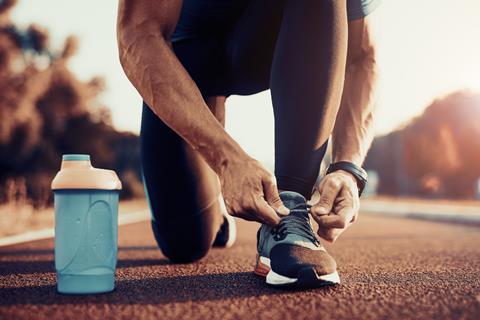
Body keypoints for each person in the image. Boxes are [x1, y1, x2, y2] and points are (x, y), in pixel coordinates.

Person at [117, 0, 379, 288]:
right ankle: (215, 210)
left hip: (266, 42)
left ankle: (290, 214)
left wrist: (348, 168)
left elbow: (360, 55)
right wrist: (227, 159)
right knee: (184, 243)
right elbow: (138, 35)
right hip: (185, 60)